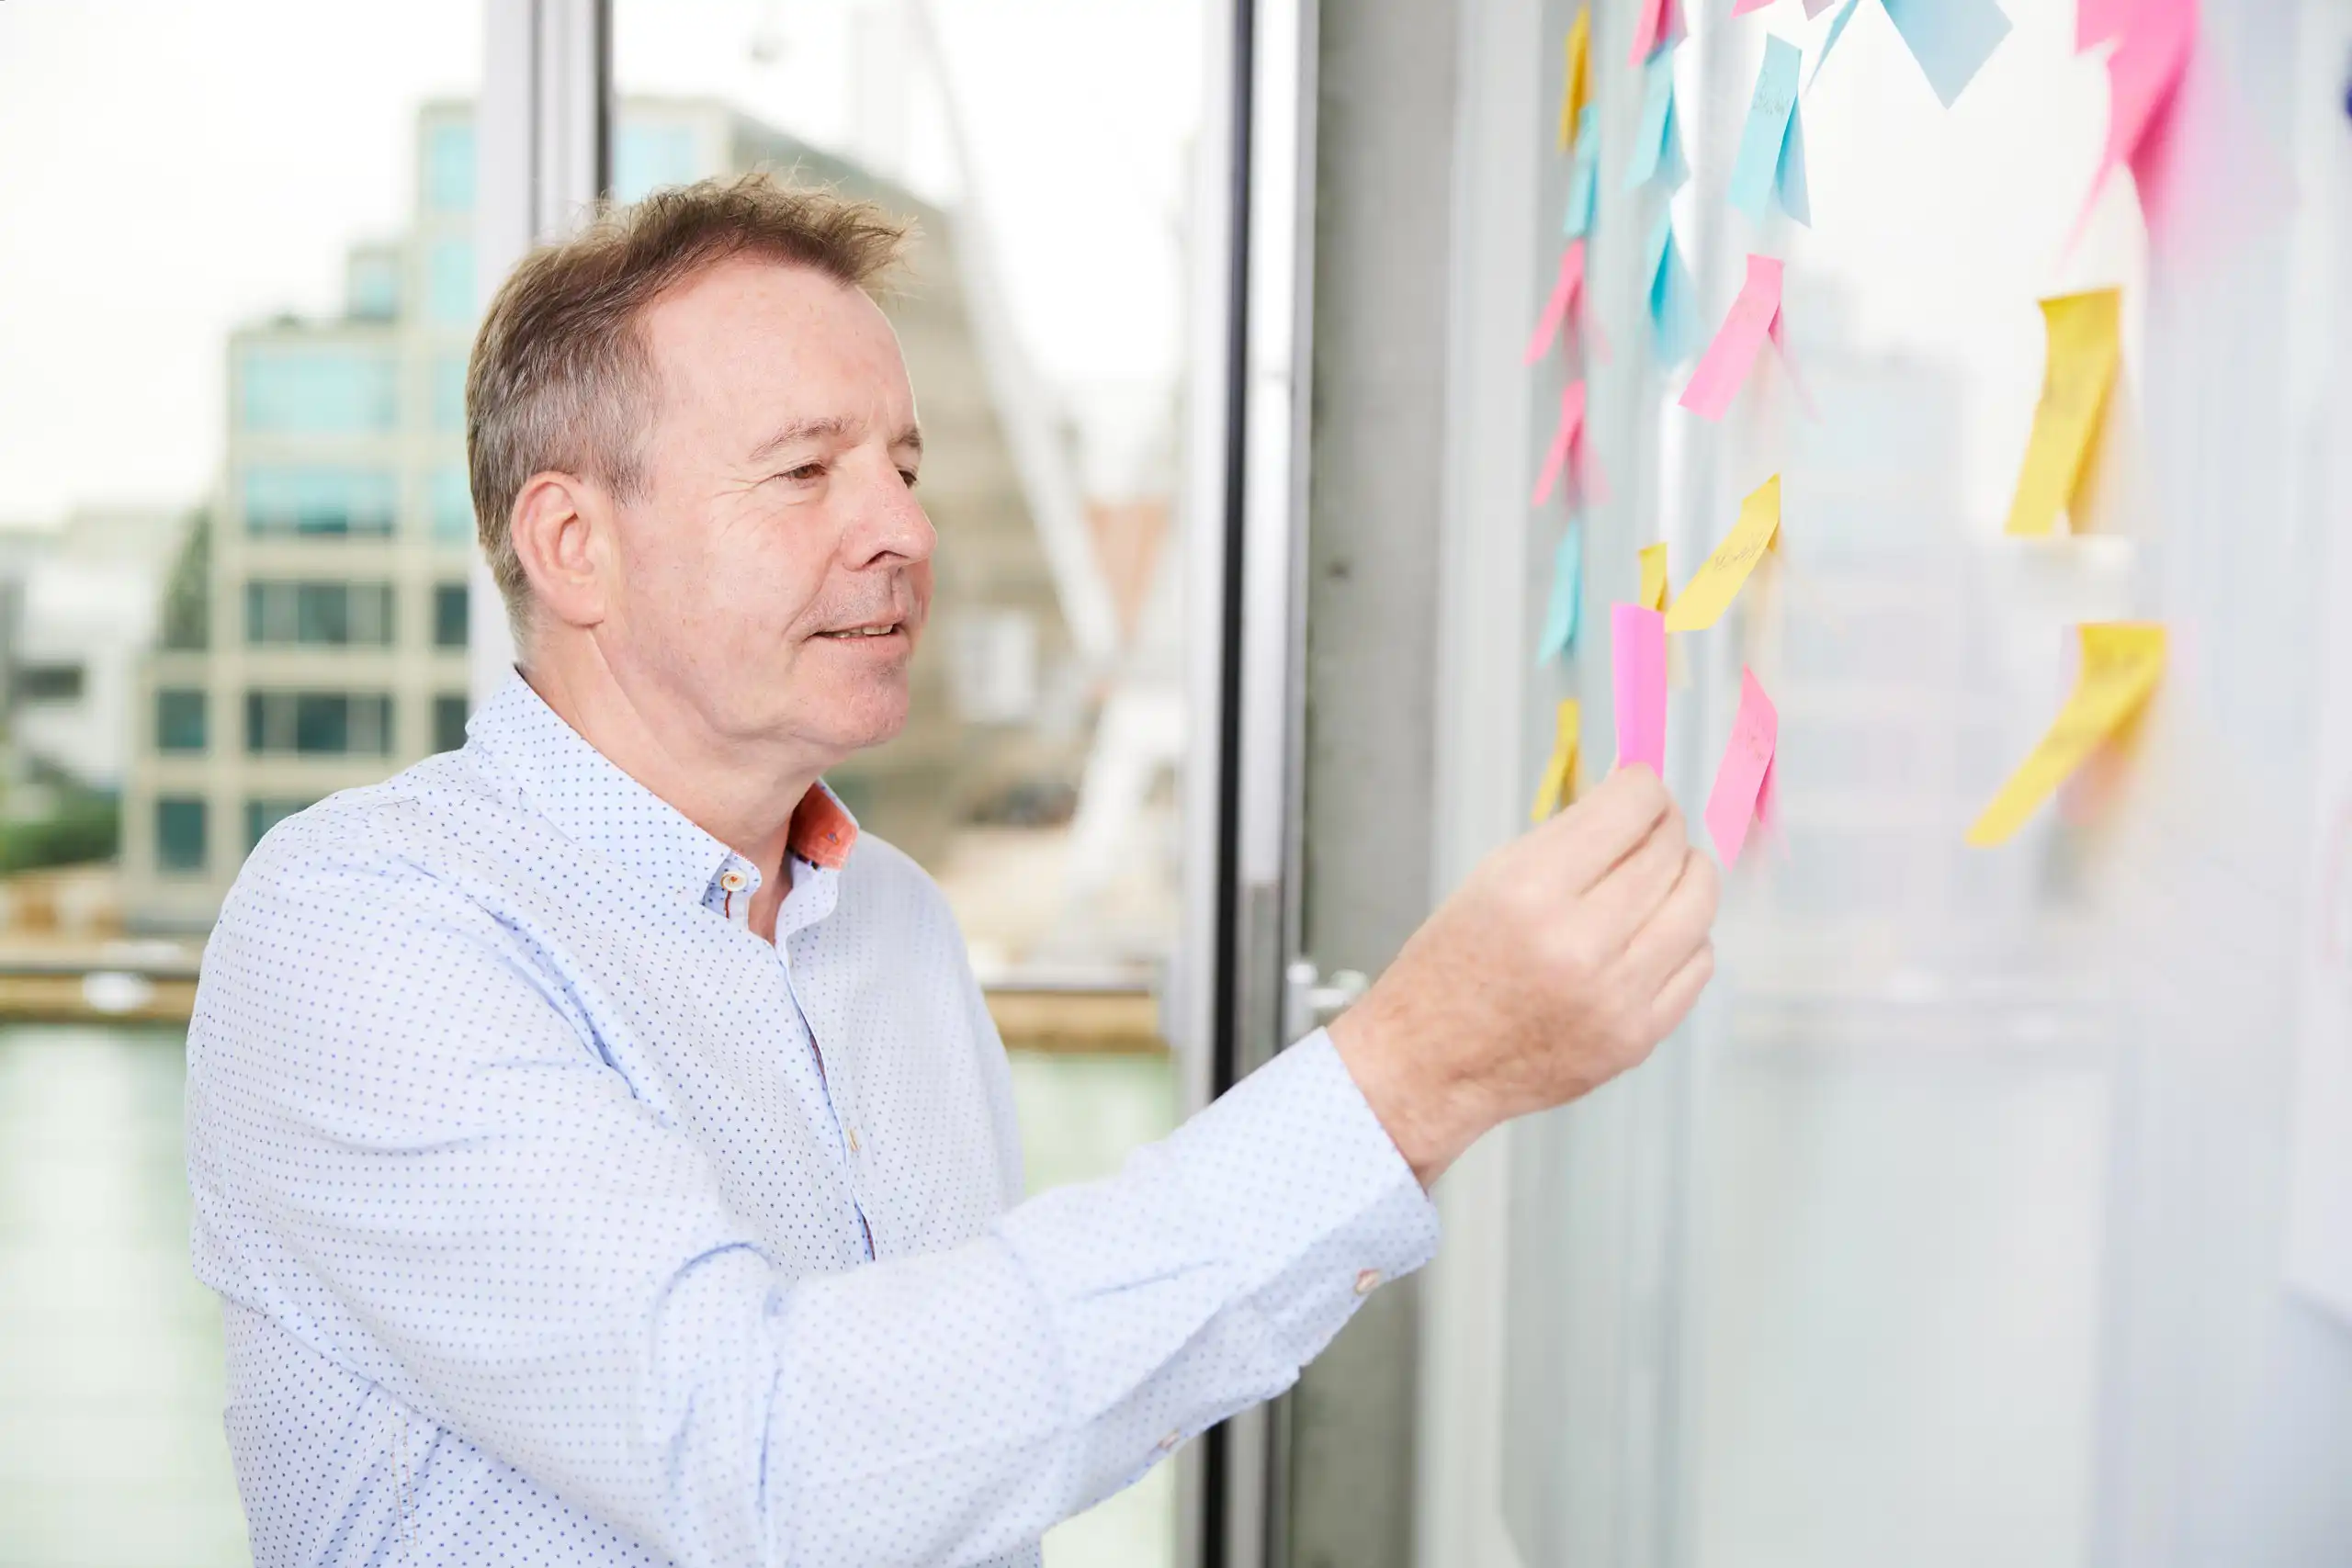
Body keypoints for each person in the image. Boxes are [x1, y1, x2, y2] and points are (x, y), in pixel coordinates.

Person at [185, 175, 1718, 1567]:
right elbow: (774, 1462)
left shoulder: (897, 922)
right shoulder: (364, 931)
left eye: (903, 464)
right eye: (806, 472)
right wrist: (1408, 1076)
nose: (904, 527)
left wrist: (1419, 1097)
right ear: (575, 544)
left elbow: (972, 1443)